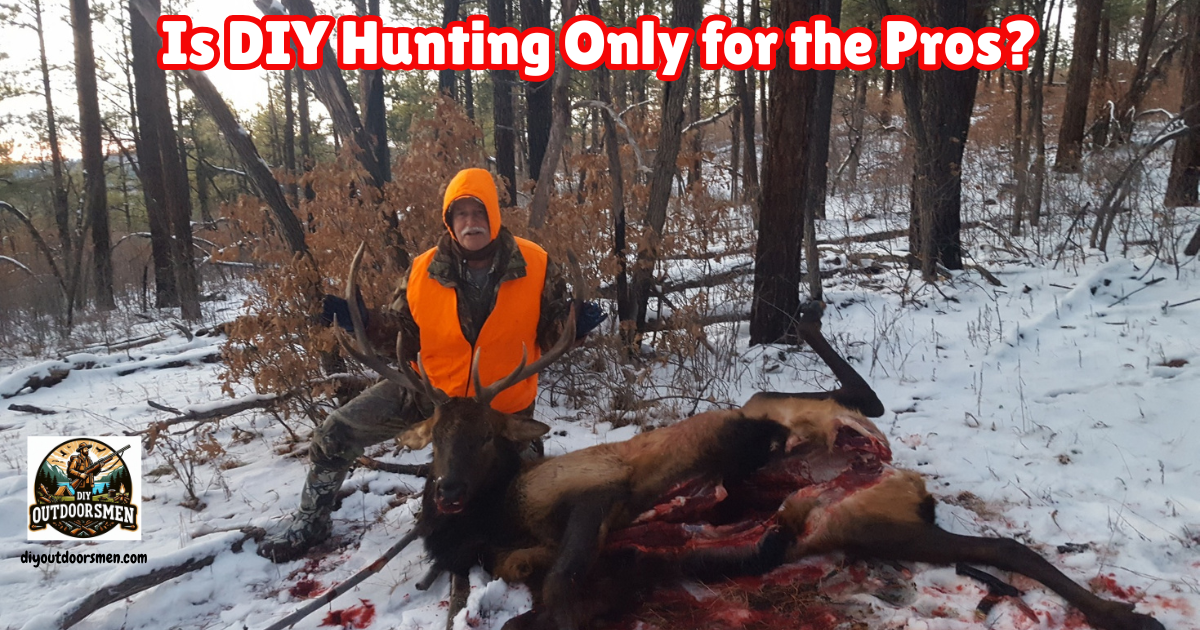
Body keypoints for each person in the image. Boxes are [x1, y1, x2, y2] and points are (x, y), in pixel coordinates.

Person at [259, 168, 604, 562]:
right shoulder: (423, 270)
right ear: (450, 220)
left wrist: (575, 326)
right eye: (462, 214)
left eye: (479, 212)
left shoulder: (536, 264)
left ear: (494, 214)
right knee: (334, 433)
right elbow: (402, 335)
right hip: (430, 394)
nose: (471, 222)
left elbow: (552, 330)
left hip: (498, 409)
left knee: (525, 495)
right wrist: (365, 322)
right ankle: (310, 522)